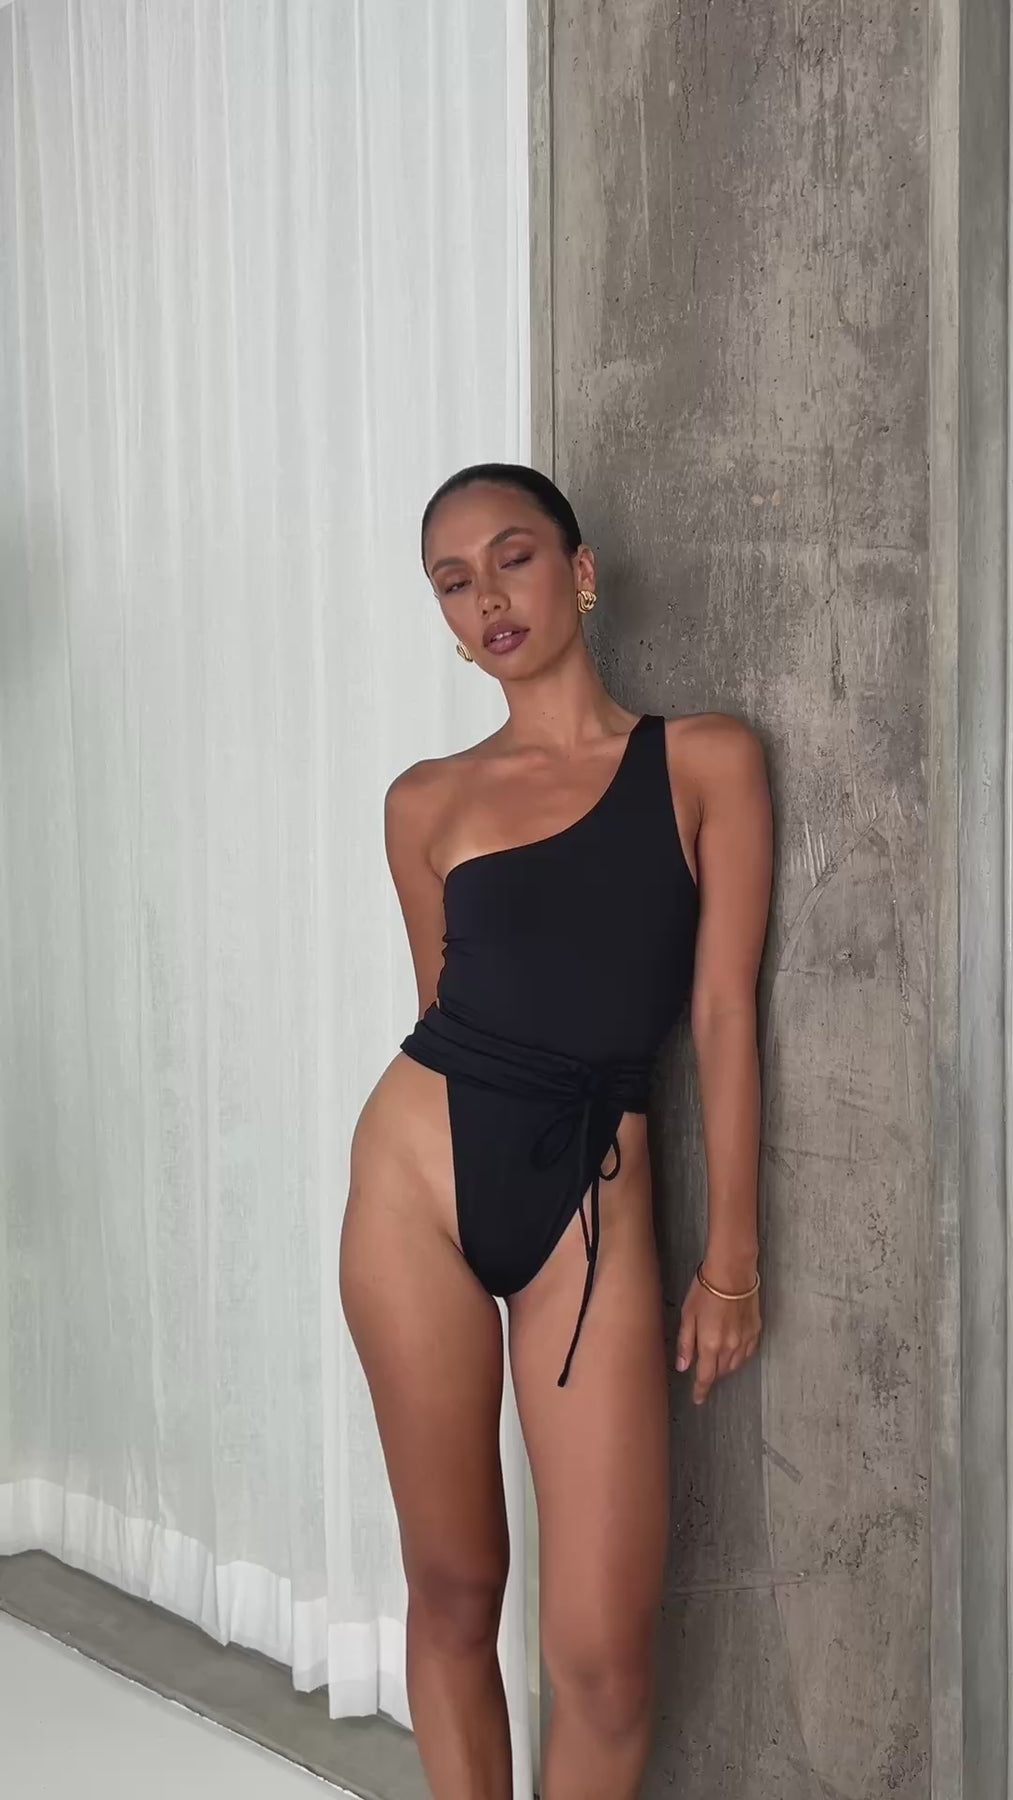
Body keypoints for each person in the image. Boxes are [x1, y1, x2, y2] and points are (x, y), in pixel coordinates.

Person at [339, 462, 772, 1800]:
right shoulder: (424, 802)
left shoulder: (705, 762)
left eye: (511, 557)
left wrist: (731, 1261)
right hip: (415, 1186)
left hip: (592, 1205)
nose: (487, 598)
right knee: (455, 1583)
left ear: (579, 571)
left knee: (605, 1661)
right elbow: (442, 1007)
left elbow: (721, 1014)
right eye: (453, 582)